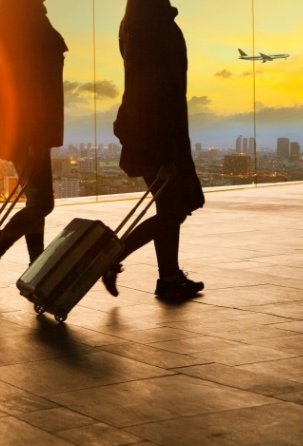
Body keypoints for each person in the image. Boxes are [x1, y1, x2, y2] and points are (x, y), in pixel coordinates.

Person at [102, 0, 205, 302]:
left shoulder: (134, 24)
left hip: (146, 129)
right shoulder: (155, 26)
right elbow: (163, 91)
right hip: (159, 133)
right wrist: (168, 155)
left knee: (170, 207)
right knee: (173, 208)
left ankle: (169, 276)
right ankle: (114, 256)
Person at [0, 0, 68, 287]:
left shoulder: (15, 18)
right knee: (43, 203)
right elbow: (32, 85)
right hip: (29, 128)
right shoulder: (27, 21)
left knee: (36, 201)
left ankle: (35, 266)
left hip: (22, 126)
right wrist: (36, 136)